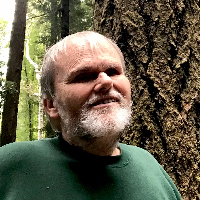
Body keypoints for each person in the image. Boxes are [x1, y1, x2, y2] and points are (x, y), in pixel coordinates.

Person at [0, 31, 182, 199]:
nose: (105, 81)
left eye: (113, 72)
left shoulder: (149, 165)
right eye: (84, 76)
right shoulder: (12, 165)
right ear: (51, 105)